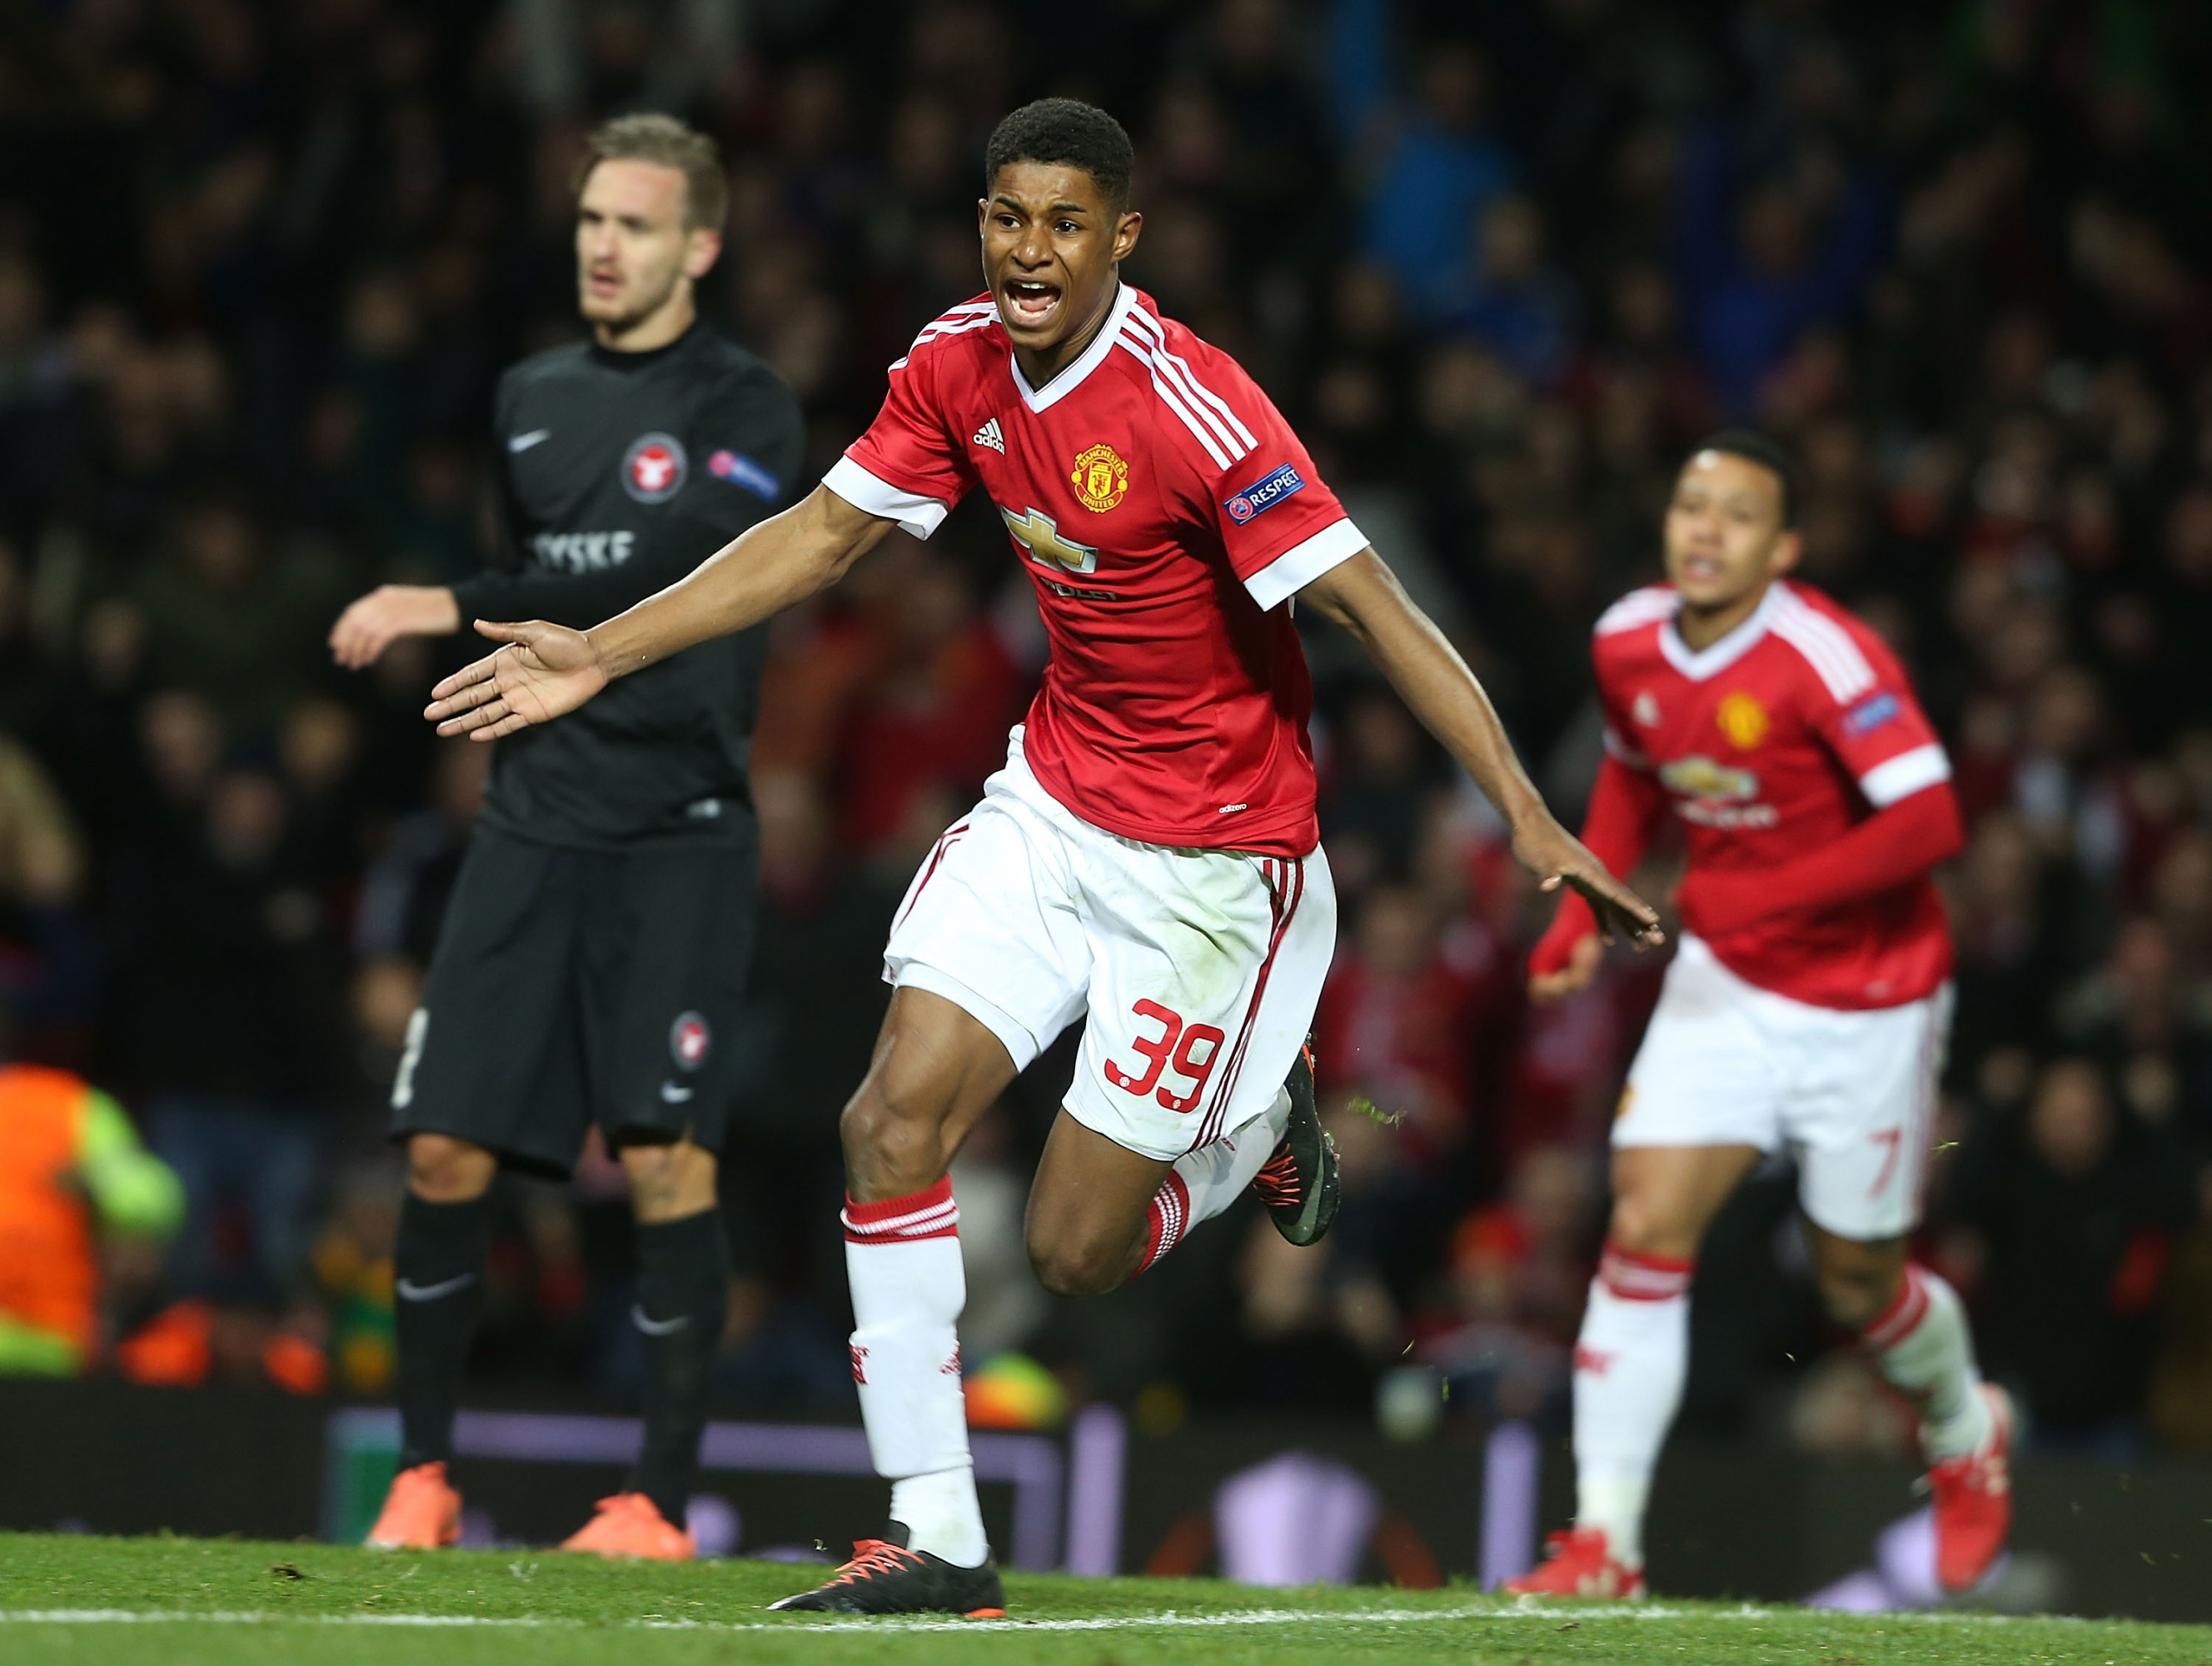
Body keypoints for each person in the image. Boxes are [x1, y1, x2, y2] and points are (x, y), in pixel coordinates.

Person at [425, 97, 1659, 1614]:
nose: (1029, 248)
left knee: (1078, 1253)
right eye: (1009, 217)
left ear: (1120, 239)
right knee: (886, 1125)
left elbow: (1376, 609)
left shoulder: (1194, 409)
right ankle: (940, 1542)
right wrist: (598, 656)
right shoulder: (953, 366)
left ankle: (1257, 1125)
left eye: (1065, 222)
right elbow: (819, 537)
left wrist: (1528, 815)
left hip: (1214, 868)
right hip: (1055, 805)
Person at [326, 113, 805, 1560]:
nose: (605, 245)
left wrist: (460, 594)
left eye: (638, 225)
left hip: (679, 832)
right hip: (535, 823)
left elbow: (684, 565)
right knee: (439, 1157)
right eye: (592, 219)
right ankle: (422, 1482)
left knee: (668, 1164)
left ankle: (653, 1503)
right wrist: (456, 598)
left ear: (700, 247)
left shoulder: (749, 405)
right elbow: (536, 585)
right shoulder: (530, 396)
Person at [1508, 433, 2010, 1599]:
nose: (1705, 529)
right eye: (1691, 505)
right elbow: (1637, 768)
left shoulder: (1824, 657)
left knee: (1856, 1287)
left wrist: (1755, 893)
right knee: (1644, 1219)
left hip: (1869, 1002)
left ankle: (1961, 1420)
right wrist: (1587, 907)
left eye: (1738, 515)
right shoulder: (1627, 637)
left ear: (1782, 549)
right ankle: (1605, 1546)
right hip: (1727, 989)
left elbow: (1930, 820)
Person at [0, 1063, 182, 1375]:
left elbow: (149, 1200)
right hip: (58, 1340)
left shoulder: (74, 1107)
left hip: (57, 1335)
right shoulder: (79, 1105)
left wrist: (94, 1180)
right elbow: (149, 1201)